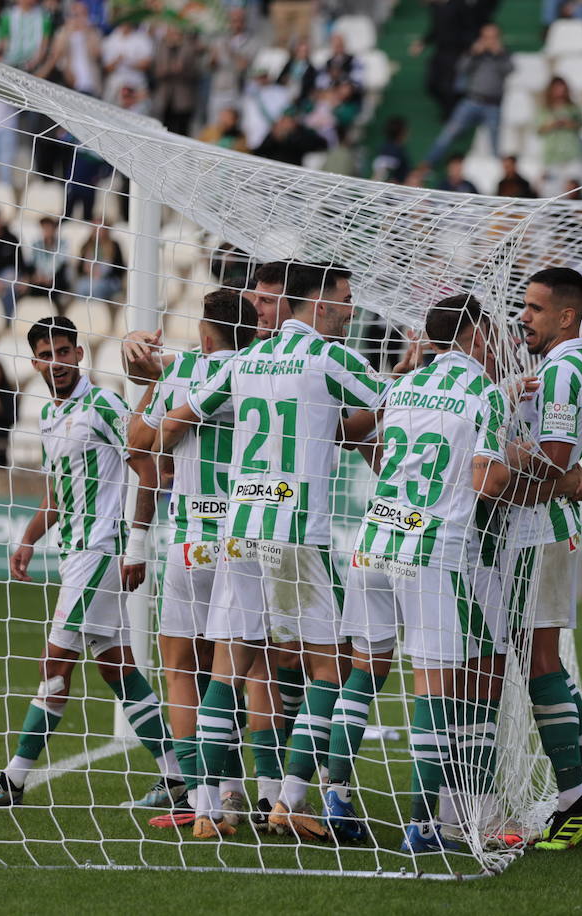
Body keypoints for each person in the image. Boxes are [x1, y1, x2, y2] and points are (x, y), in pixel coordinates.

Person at [157, 265, 388, 840]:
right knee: (329, 666)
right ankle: (289, 799)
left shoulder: (243, 360)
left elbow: (177, 419)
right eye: (343, 300)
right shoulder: (327, 358)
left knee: (226, 667)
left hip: (238, 528)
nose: (349, 311)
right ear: (314, 303)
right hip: (293, 534)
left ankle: (209, 809)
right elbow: (394, 407)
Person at [0, 317, 179, 808]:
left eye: (64, 351)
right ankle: (177, 777)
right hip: (77, 553)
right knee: (118, 668)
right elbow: (57, 495)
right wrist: (29, 539)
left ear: (79, 354)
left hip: (102, 552)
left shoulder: (105, 404)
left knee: (54, 664)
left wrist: (136, 545)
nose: (56, 362)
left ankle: (12, 781)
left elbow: (148, 471)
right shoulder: (49, 416)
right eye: (46, 354)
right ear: (34, 363)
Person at [329, 295, 517, 853]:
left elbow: (370, 447)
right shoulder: (484, 393)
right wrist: (511, 467)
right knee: (435, 687)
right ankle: (423, 823)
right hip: (432, 548)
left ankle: (334, 793)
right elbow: (490, 479)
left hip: (373, 540)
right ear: (477, 334)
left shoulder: (402, 383)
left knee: (364, 670)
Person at [127, 290, 258, 831]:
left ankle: (201, 802)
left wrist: (155, 381)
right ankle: (243, 792)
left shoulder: (183, 374)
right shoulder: (260, 373)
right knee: (237, 671)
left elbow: (138, 447)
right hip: (247, 537)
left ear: (206, 337)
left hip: (189, 540)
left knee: (180, 668)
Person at [502, 267, 582, 850]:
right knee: (538, 653)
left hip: (537, 528)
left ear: (566, 316)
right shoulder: (558, 368)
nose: (524, 317)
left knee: (538, 656)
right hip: (544, 527)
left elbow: (551, 460)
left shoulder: (566, 370)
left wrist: (492, 468)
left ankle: (570, 797)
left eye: (534, 308)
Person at [425, 23, 512, 166]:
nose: (489, 41)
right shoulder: (475, 54)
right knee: (448, 134)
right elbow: (461, 68)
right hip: (471, 100)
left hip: (493, 104)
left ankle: (496, 172)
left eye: (492, 37)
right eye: (486, 37)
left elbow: (509, 70)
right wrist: (472, 53)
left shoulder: (504, 54)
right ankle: (427, 165)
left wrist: (499, 54)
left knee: (494, 144)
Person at [535, 77, 582, 197]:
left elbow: (581, 124)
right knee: (551, 191)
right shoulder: (545, 109)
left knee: (572, 190)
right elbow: (539, 129)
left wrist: (568, 123)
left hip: (572, 153)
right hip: (552, 154)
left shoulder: (573, 108)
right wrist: (552, 124)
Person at [73, 224, 126, 304]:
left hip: (109, 280)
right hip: (89, 279)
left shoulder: (114, 245)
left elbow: (119, 268)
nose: (98, 231)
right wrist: (87, 269)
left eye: (101, 229)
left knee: (97, 287)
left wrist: (102, 273)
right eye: (95, 228)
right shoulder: (87, 245)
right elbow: (80, 268)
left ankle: (98, 313)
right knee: (81, 286)